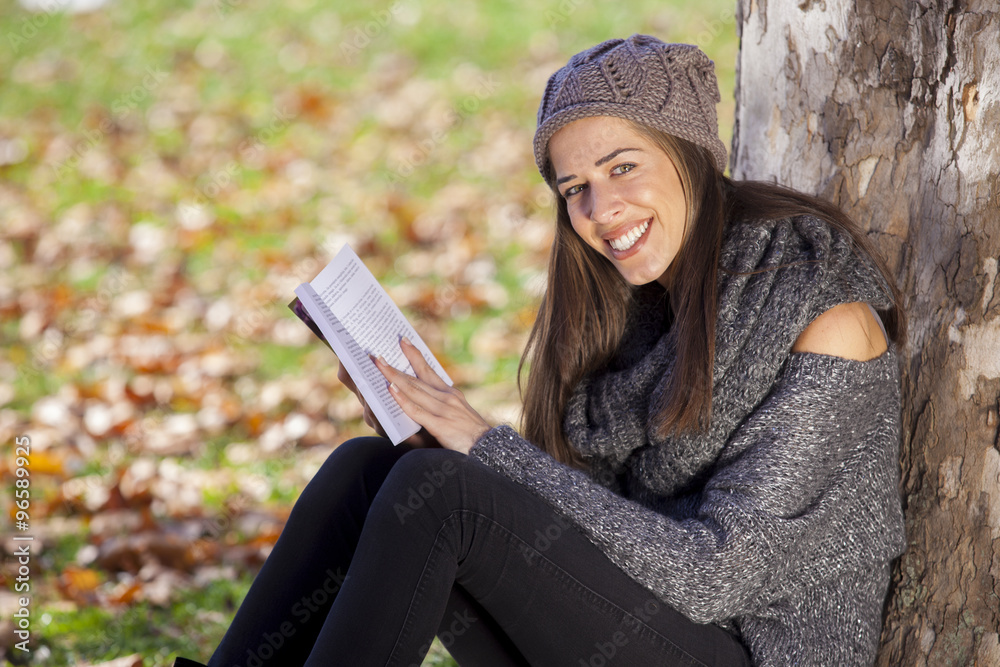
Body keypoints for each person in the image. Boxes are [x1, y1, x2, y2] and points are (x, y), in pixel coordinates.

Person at [176, 34, 906, 667]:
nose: (601, 210)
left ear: (691, 153)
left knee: (446, 500)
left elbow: (716, 575)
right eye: (575, 188)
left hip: (745, 648)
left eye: (624, 167)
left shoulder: (827, 319)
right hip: (634, 630)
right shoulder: (639, 300)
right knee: (377, 471)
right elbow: (587, 522)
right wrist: (450, 440)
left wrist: (488, 449)